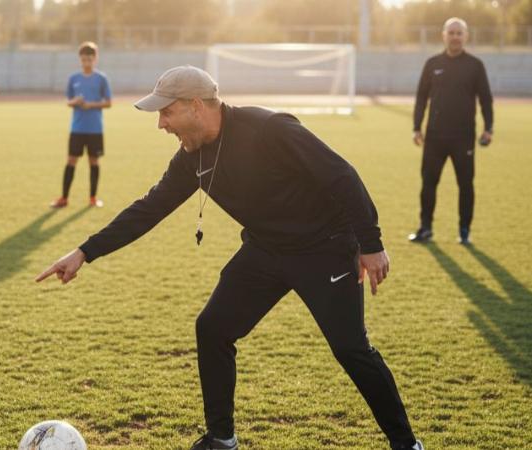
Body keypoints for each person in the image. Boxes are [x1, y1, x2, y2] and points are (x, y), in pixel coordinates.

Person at [37, 66, 423, 450]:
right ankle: (222, 439)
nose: (161, 124)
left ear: (195, 106)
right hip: (265, 251)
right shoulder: (192, 158)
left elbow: (342, 175)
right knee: (213, 329)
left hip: (325, 249)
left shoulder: (270, 129)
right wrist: (85, 252)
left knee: (351, 349)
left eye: (166, 112)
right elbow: (149, 208)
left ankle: (407, 445)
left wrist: (370, 245)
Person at [410, 17, 494, 245]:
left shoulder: (475, 65)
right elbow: (421, 98)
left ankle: (464, 231)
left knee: (465, 185)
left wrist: (488, 128)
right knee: (428, 183)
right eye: (451, 32)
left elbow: (486, 99)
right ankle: (425, 228)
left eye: (459, 33)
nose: (455, 37)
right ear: (444, 35)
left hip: (463, 137)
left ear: (466, 36)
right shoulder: (432, 63)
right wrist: (416, 127)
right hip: (434, 137)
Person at [50, 41, 112, 208]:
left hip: (95, 129)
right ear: (80, 59)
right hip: (77, 129)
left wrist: (90, 105)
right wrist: (75, 102)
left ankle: (93, 198)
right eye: (84, 60)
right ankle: (64, 198)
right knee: (71, 161)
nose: (87, 63)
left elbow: (108, 103)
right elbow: (68, 101)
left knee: (94, 162)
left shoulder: (101, 79)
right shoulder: (74, 79)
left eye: (90, 60)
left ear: (95, 59)